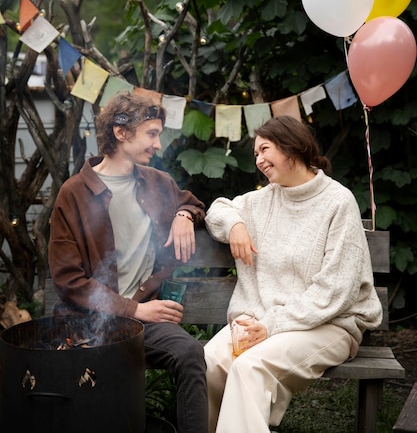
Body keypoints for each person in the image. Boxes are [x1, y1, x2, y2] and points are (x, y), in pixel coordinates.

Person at [203, 115, 383, 433]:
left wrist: (270, 326)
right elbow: (217, 208)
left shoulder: (338, 202)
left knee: (250, 367)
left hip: (330, 324)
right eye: (255, 153)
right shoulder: (263, 200)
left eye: (265, 149)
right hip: (263, 319)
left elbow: (336, 291)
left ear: (291, 146)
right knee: (210, 360)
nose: (258, 160)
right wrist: (236, 225)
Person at [49, 91, 208, 433]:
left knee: (190, 353)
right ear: (121, 133)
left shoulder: (157, 183)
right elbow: (67, 279)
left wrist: (184, 212)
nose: (158, 143)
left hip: (144, 322)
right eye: (151, 133)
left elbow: (194, 203)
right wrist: (133, 311)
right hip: (88, 322)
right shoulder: (74, 193)